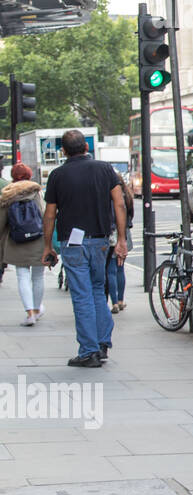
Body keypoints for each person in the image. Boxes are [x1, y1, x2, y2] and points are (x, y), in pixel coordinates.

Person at [41, 131, 127, 368]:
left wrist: (48, 246)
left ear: (64, 151)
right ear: (86, 147)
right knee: (98, 290)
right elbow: (118, 203)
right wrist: (121, 238)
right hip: (100, 241)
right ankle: (102, 343)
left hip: (73, 243)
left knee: (82, 295)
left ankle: (89, 350)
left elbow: (50, 215)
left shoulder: (58, 175)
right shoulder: (105, 169)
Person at [0, 163, 46, 325]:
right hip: (38, 239)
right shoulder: (36, 192)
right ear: (29, 175)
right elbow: (43, 213)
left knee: (22, 276)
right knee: (38, 276)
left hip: (16, 240)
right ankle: (37, 308)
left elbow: (2, 220)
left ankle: (29, 313)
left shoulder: (8, 193)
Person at [105, 172, 133, 313]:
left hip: (113, 233)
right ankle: (121, 300)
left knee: (111, 270)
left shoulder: (111, 195)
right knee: (121, 268)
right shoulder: (127, 194)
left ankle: (114, 302)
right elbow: (130, 216)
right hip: (125, 233)